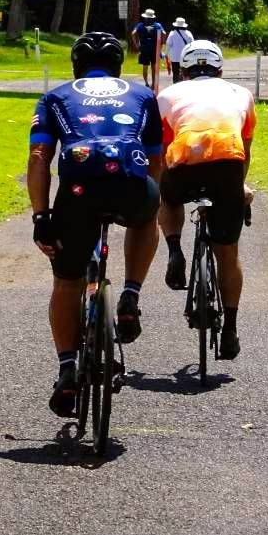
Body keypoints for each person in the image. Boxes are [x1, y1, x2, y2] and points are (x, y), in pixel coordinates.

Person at [28, 32, 164, 416]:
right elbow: (156, 161)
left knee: (67, 282)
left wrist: (41, 217)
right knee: (144, 219)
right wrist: (150, 198)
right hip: (131, 186)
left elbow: (40, 155)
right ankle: (130, 296)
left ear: (75, 65)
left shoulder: (55, 96)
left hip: (78, 191)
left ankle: (68, 368)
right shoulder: (143, 95)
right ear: (119, 66)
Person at [157, 40, 255, 361]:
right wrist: (239, 187)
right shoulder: (241, 94)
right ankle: (231, 329)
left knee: (168, 197)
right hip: (228, 162)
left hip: (185, 161)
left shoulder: (168, 96)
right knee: (227, 253)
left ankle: (174, 250)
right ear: (220, 70)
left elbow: (161, 151)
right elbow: (245, 148)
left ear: (182, 72)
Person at [130, 9, 166, 89]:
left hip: (144, 49)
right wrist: (161, 45)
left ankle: (146, 83)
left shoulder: (140, 25)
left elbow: (133, 33)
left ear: (145, 17)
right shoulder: (158, 25)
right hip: (154, 49)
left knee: (145, 67)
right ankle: (153, 84)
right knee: (153, 67)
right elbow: (164, 33)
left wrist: (136, 45)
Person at [163, 16, 195, 88]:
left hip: (175, 58)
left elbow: (168, 45)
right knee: (186, 73)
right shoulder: (189, 33)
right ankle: (185, 87)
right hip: (186, 58)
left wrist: (166, 54)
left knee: (176, 73)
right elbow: (192, 45)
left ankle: (175, 86)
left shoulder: (172, 34)